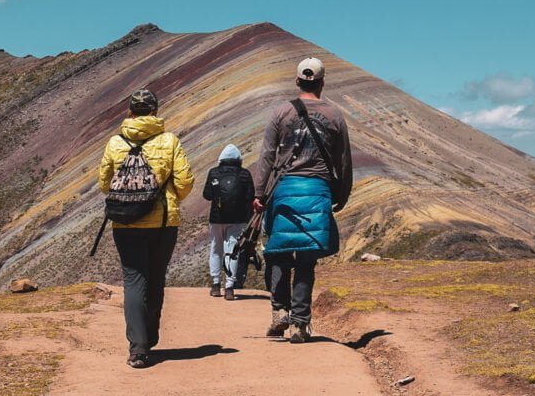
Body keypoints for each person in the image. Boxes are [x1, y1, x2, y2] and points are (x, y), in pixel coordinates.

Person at [253, 57, 353, 343]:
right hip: (317, 192)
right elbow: (344, 162)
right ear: (322, 82)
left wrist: (259, 194)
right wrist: (342, 194)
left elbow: (267, 157)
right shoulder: (334, 116)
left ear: (298, 81)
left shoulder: (281, 113)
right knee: (306, 260)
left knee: (278, 254)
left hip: (283, 192)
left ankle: (279, 311)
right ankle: (299, 323)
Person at [98, 88, 194, 368]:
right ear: (154, 110)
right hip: (163, 223)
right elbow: (185, 181)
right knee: (155, 277)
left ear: (130, 111)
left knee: (133, 279)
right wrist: (168, 197)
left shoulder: (115, 143)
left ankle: (138, 347)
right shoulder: (169, 141)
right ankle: (150, 336)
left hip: (125, 222)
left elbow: (105, 183)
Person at [202, 143, 255, 300]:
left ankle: (216, 285)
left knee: (216, 249)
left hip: (217, 219)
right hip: (238, 220)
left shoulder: (213, 173)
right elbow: (250, 196)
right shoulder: (245, 174)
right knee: (232, 251)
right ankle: (230, 287)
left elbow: (207, 195)